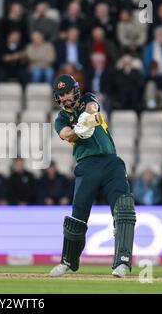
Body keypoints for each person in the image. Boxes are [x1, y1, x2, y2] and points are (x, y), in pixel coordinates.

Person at [49, 74, 136, 278]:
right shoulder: (61, 118)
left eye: (67, 92)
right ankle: (68, 262)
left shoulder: (87, 98)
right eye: (60, 95)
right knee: (77, 217)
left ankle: (122, 262)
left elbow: (92, 109)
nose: (64, 97)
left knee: (124, 209)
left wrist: (85, 120)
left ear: (75, 90)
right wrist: (79, 130)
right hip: (86, 166)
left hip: (111, 163)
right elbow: (65, 134)